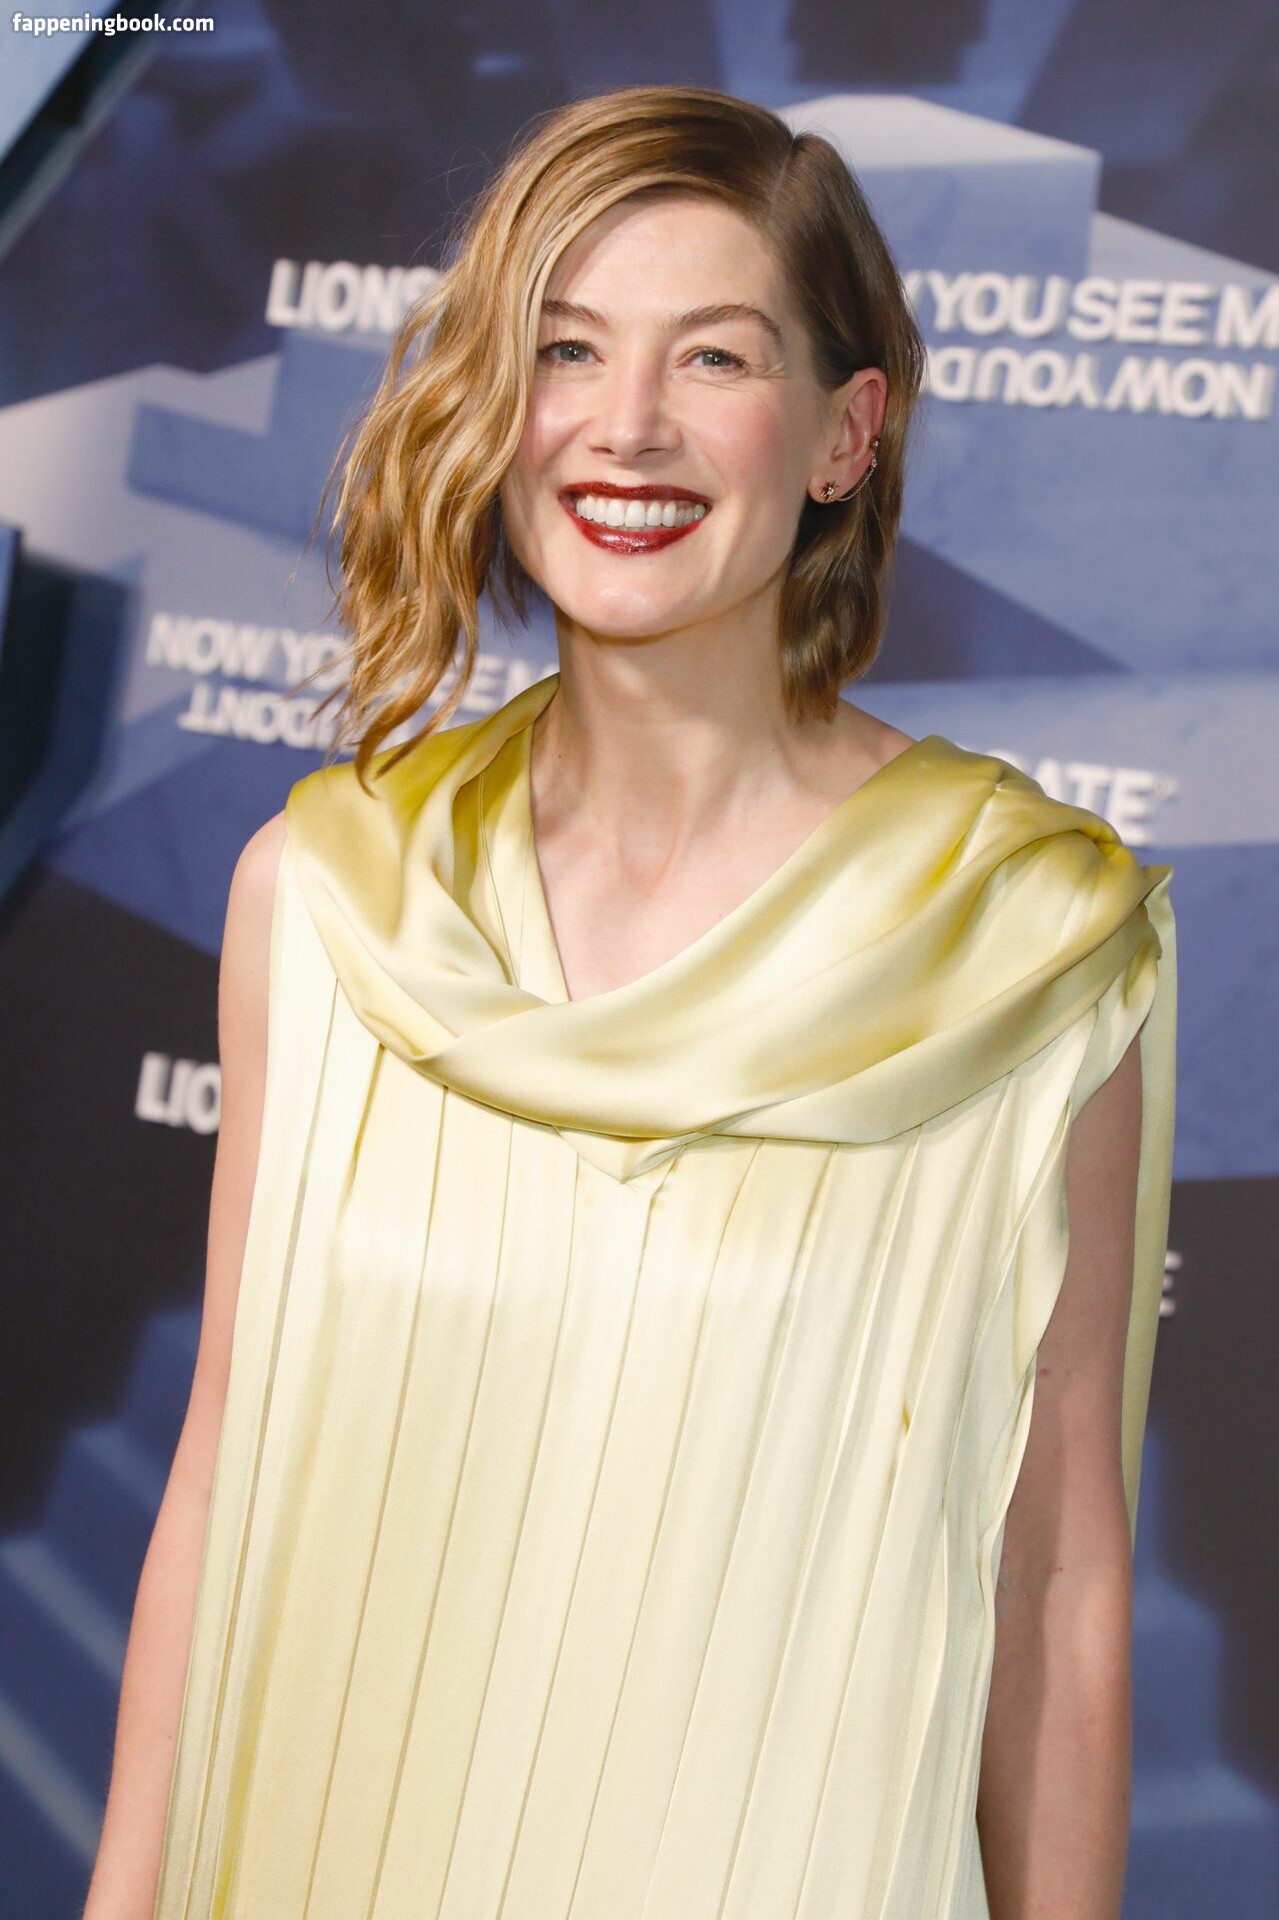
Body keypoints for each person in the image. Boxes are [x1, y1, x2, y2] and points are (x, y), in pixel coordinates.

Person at [84, 83, 1176, 1920]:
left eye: (716, 357)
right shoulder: (331, 901)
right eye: (566, 349)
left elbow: (1053, 1578)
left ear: (845, 433)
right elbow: (224, 1475)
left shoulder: (1022, 948)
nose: (627, 426)